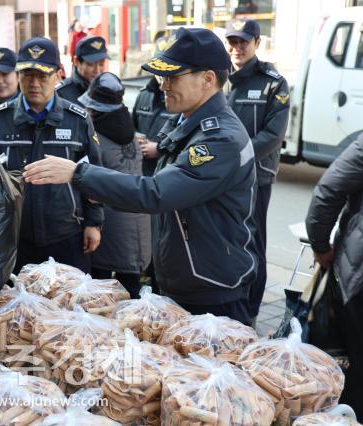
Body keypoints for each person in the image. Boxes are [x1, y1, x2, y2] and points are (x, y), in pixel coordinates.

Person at [23, 28, 258, 325]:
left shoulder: (219, 138)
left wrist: (77, 172)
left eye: (172, 77)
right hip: (189, 280)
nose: (162, 86)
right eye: (162, 76)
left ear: (208, 79)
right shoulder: (189, 122)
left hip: (211, 289)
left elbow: (155, 193)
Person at [0, 37, 103, 273]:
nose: (34, 83)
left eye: (43, 75)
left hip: (67, 233)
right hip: (13, 237)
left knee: (68, 304)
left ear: (58, 75)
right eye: (27, 74)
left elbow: (93, 174)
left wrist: (94, 223)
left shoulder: (77, 119)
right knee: (16, 307)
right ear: (18, 76)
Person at [305, 124, 363, 423]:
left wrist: (321, 245)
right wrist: (321, 244)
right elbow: (330, 190)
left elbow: (330, 188)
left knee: (359, 373)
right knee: (358, 371)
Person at [225, 19, 290, 325]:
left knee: (253, 242)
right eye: (233, 42)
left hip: (255, 177)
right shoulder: (221, 77)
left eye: (243, 42)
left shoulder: (273, 83)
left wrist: (236, 158)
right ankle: (230, 299)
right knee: (225, 238)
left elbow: (273, 135)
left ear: (257, 43)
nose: (237, 48)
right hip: (221, 177)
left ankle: (250, 310)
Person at [78, 72, 151, 298]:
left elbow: (90, 183)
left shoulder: (94, 134)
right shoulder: (130, 130)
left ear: (95, 110)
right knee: (132, 294)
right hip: (139, 223)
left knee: (100, 297)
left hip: (109, 226)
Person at [132, 68, 172, 177]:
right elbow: (132, 126)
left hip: (165, 172)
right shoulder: (143, 94)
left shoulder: (182, 100)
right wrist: (135, 139)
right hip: (139, 169)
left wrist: (159, 149)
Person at [56, 35, 109, 105]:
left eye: (101, 64)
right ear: (76, 61)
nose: (97, 70)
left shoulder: (108, 90)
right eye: (91, 64)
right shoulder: (61, 94)